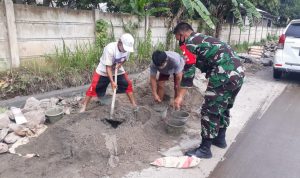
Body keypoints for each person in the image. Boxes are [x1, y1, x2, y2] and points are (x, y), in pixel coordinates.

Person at [173, 22, 245, 159]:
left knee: (209, 110)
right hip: (239, 74)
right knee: (223, 107)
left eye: (178, 38)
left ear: (182, 35)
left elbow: (188, 73)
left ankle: (205, 149)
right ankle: (220, 139)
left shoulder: (189, 43)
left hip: (223, 75)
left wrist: (179, 96)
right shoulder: (204, 38)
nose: (179, 43)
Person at [80, 33, 137, 113]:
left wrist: (120, 64)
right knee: (93, 87)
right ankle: (84, 106)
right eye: (124, 48)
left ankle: (134, 105)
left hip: (117, 69)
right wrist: (112, 82)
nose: (125, 50)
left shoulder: (127, 49)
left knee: (128, 84)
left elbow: (125, 59)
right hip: (103, 70)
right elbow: (108, 68)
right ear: (119, 43)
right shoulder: (110, 48)